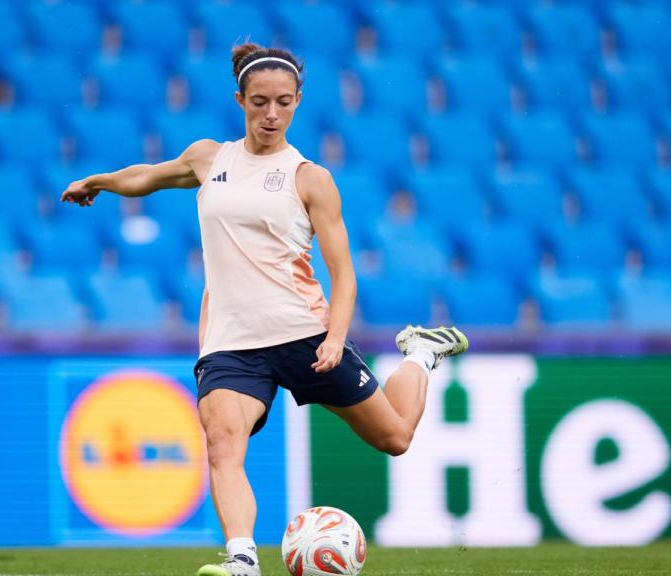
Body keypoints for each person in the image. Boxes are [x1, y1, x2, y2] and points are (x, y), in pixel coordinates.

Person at [61, 43, 469, 576]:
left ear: (299, 101)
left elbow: (343, 273)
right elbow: (150, 175)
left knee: (394, 438)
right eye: (258, 103)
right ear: (240, 100)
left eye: (282, 102)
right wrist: (100, 182)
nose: (270, 114)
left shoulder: (310, 179)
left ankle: (420, 354)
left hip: (304, 333)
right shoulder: (210, 158)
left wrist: (334, 336)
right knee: (222, 441)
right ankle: (242, 560)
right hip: (231, 341)